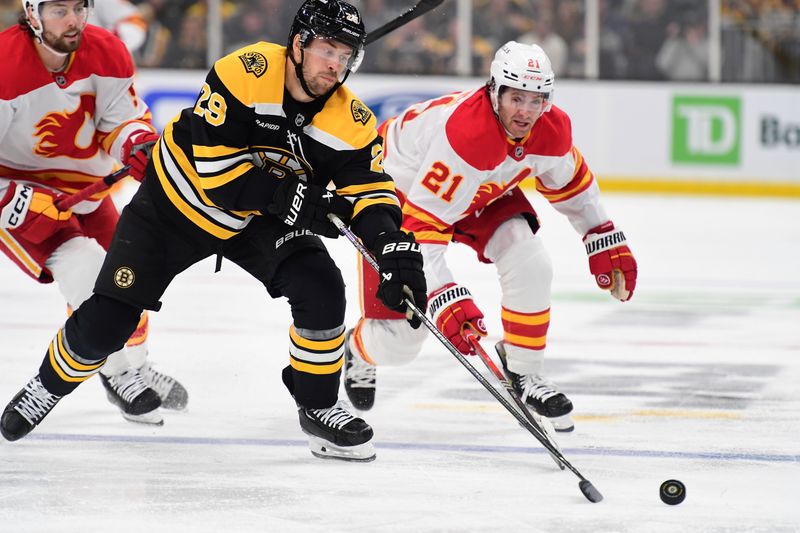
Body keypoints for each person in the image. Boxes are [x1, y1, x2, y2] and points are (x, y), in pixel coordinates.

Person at [0, 0, 427, 462]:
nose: (335, 65)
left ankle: (319, 407)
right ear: (299, 44)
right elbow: (218, 177)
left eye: (346, 56)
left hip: (257, 222)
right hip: (176, 204)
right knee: (108, 321)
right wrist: (303, 203)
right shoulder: (245, 70)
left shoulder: (352, 120)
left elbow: (370, 191)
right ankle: (47, 386)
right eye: (327, 50)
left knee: (321, 287)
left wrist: (391, 246)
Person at [343, 41, 638, 432]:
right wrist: (442, 294)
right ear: (494, 91)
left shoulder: (549, 128)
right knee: (401, 340)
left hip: (477, 189)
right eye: (517, 98)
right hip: (396, 195)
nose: (526, 112)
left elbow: (573, 185)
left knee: (529, 258)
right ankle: (355, 348)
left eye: (537, 100)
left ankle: (525, 372)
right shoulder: (466, 135)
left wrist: (601, 234)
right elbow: (421, 228)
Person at [0, 0, 187, 426]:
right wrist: (14, 199)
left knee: (132, 275)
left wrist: (134, 144)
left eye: (79, 8)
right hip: (19, 195)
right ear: (32, 14)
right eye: (57, 10)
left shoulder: (108, 51)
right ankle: (118, 372)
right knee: (87, 270)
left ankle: (134, 364)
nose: (71, 20)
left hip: (85, 190)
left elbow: (120, 121)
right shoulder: (4, 65)